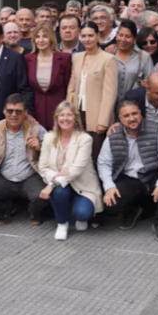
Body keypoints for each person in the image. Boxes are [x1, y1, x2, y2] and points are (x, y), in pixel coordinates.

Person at [98, 100, 158, 243]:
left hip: (153, 174)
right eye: (126, 115)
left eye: (134, 113)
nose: (132, 118)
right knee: (112, 203)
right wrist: (109, 186)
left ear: (140, 113)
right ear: (120, 118)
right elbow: (103, 163)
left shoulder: (156, 130)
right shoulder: (114, 134)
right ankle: (132, 210)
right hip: (129, 178)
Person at [0, 94, 48, 226]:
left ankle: (33, 211)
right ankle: (7, 207)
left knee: (43, 196)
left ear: (25, 113)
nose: (14, 115)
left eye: (18, 111)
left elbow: (53, 153)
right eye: (10, 111)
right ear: (4, 111)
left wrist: (40, 148)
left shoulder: (36, 128)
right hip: (3, 177)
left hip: (30, 177)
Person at [39, 102, 102, 241]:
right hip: (61, 185)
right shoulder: (49, 137)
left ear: (76, 118)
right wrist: (55, 179)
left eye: (69, 115)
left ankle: (77, 213)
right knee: (59, 192)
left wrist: (51, 184)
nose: (65, 118)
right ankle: (62, 223)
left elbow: (76, 169)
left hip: (83, 185)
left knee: (82, 214)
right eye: (62, 115)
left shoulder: (84, 139)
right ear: (56, 118)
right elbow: (42, 166)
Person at [67, 22, 118, 162]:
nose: (87, 39)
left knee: (95, 155)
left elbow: (110, 93)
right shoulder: (77, 57)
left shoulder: (108, 59)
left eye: (90, 35)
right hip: (78, 113)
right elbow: (71, 88)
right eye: (83, 36)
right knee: (77, 154)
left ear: (97, 36)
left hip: (97, 116)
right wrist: (69, 112)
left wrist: (103, 121)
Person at [24, 24, 72, 131]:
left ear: (51, 38)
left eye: (45, 36)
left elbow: (68, 87)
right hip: (35, 115)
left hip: (59, 113)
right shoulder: (27, 59)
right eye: (37, 37)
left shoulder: (64, 58)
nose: (41, 40)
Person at [112, 20, 154, 104]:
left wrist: (145, 84)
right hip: (111, 105)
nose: (123, 39)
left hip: (135, 106)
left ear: (134, 38)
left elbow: (151, 82)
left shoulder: (144, 57)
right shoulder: (109, 55)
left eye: (127, 36)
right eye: (121, 35)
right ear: (116, 35)